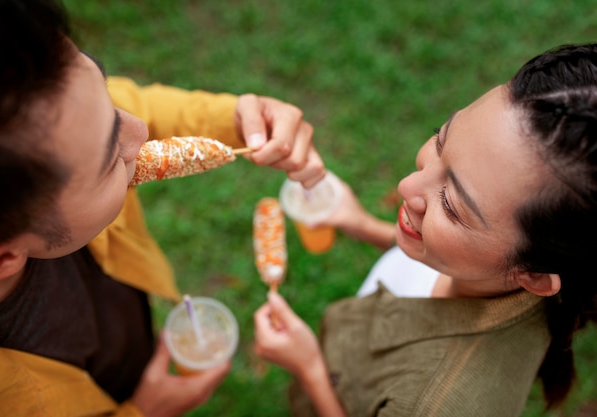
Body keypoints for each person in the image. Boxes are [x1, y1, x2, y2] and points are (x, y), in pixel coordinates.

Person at [0, 1, 326, 416]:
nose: (139, 130)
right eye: (109, 160)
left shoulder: (46, 118)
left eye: (106, 92)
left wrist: (232, 118)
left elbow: (129, 111)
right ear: (0, 260)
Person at [254, 43, 597, 417]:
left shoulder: (436, 404)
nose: (406, 186)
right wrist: (364, 226)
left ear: (533, 275)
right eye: (440, 138)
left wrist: (312, 370)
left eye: (451, 205)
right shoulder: (501, 270)